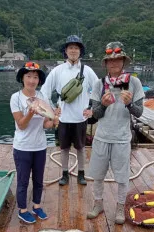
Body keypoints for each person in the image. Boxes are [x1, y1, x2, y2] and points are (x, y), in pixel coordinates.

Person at [87, 42, 144, 224]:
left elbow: (139, 112)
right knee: (97, 174)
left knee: (122, 176)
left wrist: (129, 103)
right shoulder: (99, 84)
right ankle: (98, 203)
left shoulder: (133, 82)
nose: (114, 63)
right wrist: (102, 105)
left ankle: (120, 206)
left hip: (122, 138)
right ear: (105, 64)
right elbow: (94, 115)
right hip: (102, 136)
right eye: (110, 61)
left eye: (118, 59)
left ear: (123, 62)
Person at [41, 35, 98, 186]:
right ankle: (64, 174)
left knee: (80, 148)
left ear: (81, 51)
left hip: (81, 118)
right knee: (64, 148)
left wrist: (92, 108)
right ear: (65, 51)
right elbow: (45, 91)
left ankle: (81, 174)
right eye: (70, 47)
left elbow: (99, 89)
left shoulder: (88, 71)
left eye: (76, 48)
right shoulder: (57, 71)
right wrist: (53, 110)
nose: (73, 50)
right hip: (64, 118)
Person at [10, 62, 55, 224]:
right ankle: (22, 210)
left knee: (38, 179)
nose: (31, 80)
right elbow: (21, 125)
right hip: (22, 147)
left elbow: (46, 125)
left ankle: (37, 206)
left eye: (35, 77)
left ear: (39, 80)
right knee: (22, 180)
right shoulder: (16, 98)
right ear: (22, 78)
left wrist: (54, 118)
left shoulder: (42, 97)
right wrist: (30, 112)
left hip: (40, 146)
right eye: (28, 76)